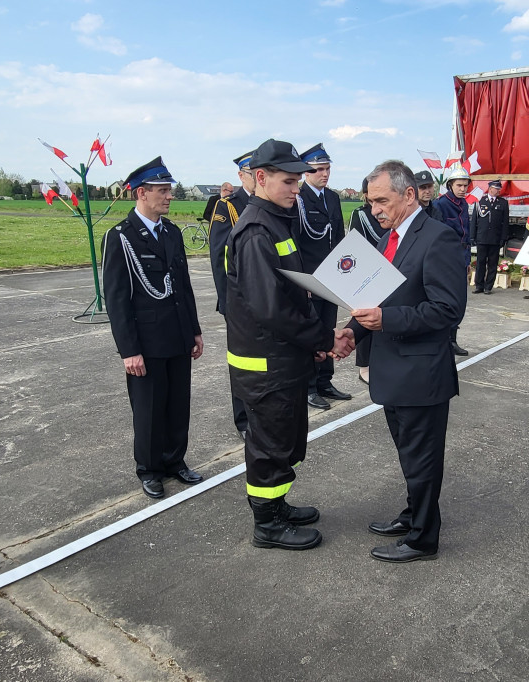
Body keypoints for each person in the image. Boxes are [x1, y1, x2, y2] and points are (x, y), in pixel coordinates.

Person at [225, 138, 353, 551]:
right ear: (260, 178)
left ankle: (278, 505)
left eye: (299, 181)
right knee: (269, 443)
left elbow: (292, 292)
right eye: (288, 181)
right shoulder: (256, 230)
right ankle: (267, 525)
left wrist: (311, 343)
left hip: (283, 356)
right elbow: (272, 308)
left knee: (285, 437)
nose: (296, 188)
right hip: (265, 361)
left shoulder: (278, 221)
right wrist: (321, 337)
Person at [347, 160, 466, 562]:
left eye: (382, 200)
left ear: (409, 194)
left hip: (421, 372)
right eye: (370, 202)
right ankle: (414, 513)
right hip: (393, 368)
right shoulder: (388, 240)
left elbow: (448, 310)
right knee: (409, 454)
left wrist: (385, 320)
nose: (374, 209)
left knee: (422, 457)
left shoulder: (439, 238)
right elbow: (376, 299)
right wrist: (352, 332)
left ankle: (422, 539)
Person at [102, 157, 205, 500]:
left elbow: (183, 287)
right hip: (145, 342)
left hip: (176, 335)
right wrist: (128, 350)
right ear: (141, 193)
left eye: (169, 190)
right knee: (148, 410)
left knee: (178, 405)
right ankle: (149, 468)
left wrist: (194, 330)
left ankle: (175, 461)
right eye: (162, 191)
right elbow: (116, 300)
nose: (169, 197)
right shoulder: (120, 237)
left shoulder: (173, 232)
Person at [297, 143, 351, 410]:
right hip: (310, 278)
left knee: (329, 327)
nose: (325, 174)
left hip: (331, 276)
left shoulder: (331, 198)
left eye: (327, 168)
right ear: (307, 172)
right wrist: (302, 280)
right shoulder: (299, 198)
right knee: (312, 330)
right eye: (319, 169)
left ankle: (325, 381)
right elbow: (296, 241)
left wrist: (343, 272)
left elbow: (338, 237)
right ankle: (308, 386)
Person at [208, 150, 256, 438]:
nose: (256, 178)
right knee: (242, 362)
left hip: (264, 300)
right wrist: (228, 304)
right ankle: (243, 419)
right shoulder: (228, 206)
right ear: (241, 176)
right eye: (251, 173)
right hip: (238, 302)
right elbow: (218, 259)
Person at [348, 177, 388, 385]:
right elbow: (354, 244)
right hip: (368, 271)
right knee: (364, 319)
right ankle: (364, 366)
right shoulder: (361, 214)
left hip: (388, 271)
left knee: (381, 318)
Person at [433, 162, 471, 356]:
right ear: (450, 185)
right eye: (459, 185)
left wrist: (469, 260)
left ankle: (453, 339)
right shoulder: (440, 204)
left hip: (462, 257)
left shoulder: (464, 204)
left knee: (460, 300)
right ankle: (444, 339)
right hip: (448, 257)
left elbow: (467, 232)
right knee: (447, 298)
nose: (463, 189)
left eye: (465, 186)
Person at [470, 179, 509, 294]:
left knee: (492, 263)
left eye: (499, 189)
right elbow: (474, 221)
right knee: (480, 262)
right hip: (482, 237)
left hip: (495, 238)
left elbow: (505, 222)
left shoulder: (502, 203)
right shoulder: (480, 201)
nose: (498, 191)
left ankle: (488, 287)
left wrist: (503, 238)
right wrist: (472, 236)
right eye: (496, 189)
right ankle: (479, 285)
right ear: (490, 188)